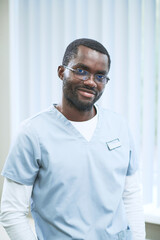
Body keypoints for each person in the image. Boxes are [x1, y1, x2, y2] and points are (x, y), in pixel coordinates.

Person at [0, 38, 145, 240]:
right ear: (62, 72)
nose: (91, 82)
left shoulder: (119, 126)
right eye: (81, 70)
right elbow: (11, 212)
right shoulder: (32, 133)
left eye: (100, 76)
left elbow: (131, 196)